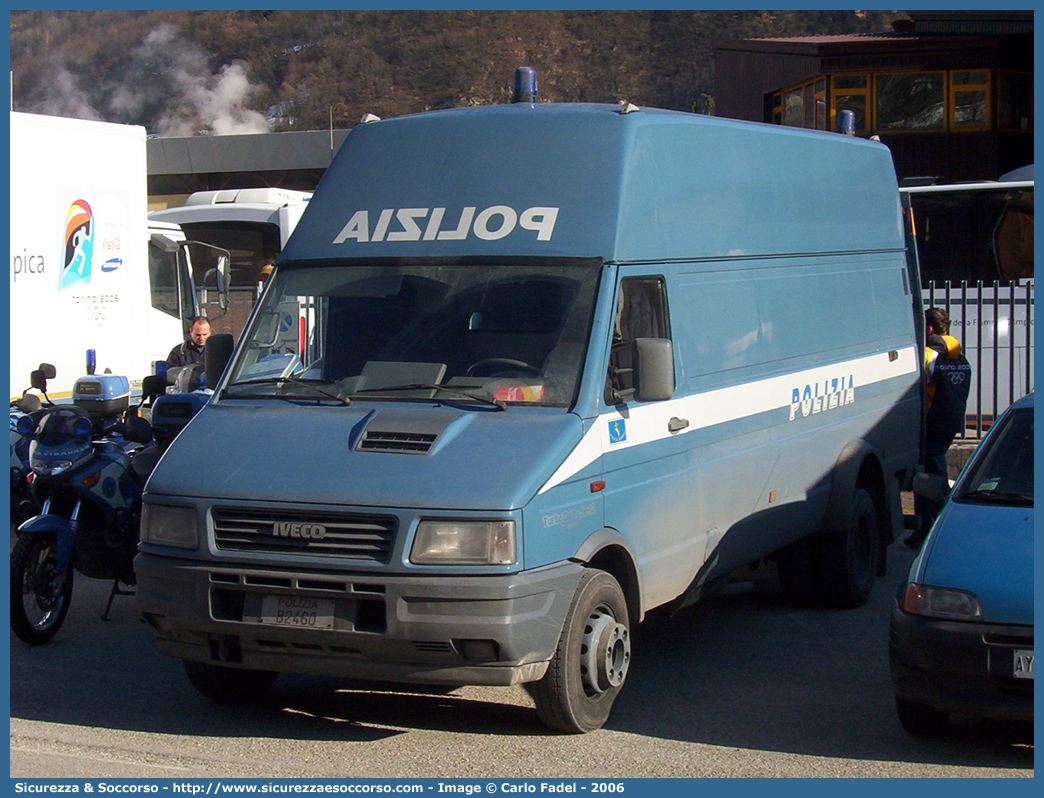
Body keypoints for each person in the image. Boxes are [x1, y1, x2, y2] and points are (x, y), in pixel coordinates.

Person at [907, 307, 971, 547]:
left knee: (927, 478)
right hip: (951, 422)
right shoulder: (960, 357)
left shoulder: (929, 356)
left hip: (930, 423)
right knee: (934, 472)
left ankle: (930, 529)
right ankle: (929, 526)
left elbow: (915, 389)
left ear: (930, 329)